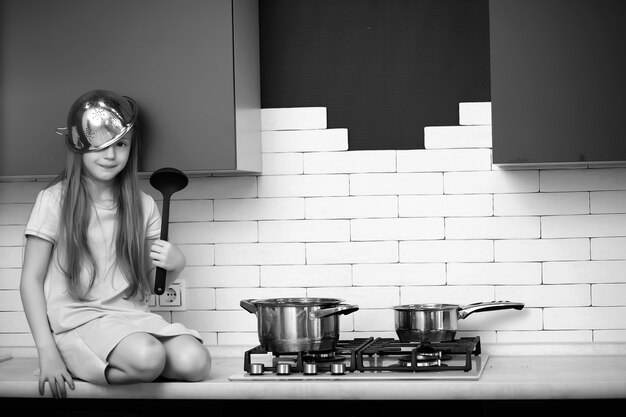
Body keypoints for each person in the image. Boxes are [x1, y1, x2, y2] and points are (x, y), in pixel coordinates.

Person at [19, 89, 211, 398]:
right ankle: (75, 356)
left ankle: (118, 363)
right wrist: (47, 350)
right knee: (149, 357)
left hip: (131, 319)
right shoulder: (54, 200)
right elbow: (30, 279)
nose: (111, 155)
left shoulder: (144, 204)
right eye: (100, 143)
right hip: (79, 322)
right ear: (78, 144)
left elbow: (148, 286)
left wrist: (174, 267)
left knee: (196, 362)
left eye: (120, 144)